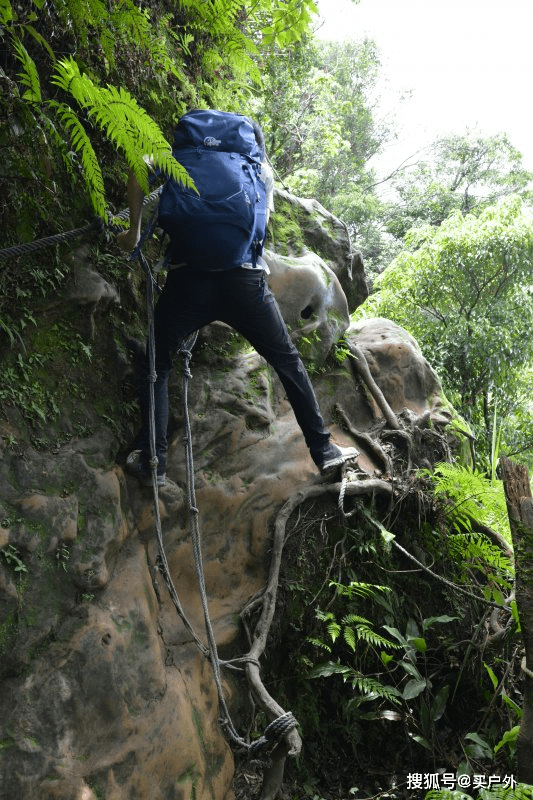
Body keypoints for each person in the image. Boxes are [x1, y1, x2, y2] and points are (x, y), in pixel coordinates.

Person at [117, 115, 358, 486]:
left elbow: (137, 168)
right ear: (251, 143)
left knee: (157, 363)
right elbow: (260, 229)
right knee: (287, 362)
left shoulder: (178, 157)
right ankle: (325, 452)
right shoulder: (257, 168)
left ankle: (154, 460)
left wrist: (134, 232)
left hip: (188, 281)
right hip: (245, 284)